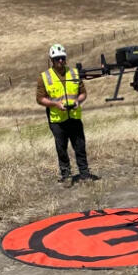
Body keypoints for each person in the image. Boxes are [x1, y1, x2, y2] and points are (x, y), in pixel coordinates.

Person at [36, 43, 98, 183]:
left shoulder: (75, 73)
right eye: (57, 59)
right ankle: (66, 175)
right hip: (57, 119)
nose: (60, 61)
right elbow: (40, 99)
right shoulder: (44, 77)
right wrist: (55, 104)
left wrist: (78, 102)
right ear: (52, 60)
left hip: (74, 116)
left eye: (63, 58)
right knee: (61, 147)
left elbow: (83, 93)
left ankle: (84, 173)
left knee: (80, 145)